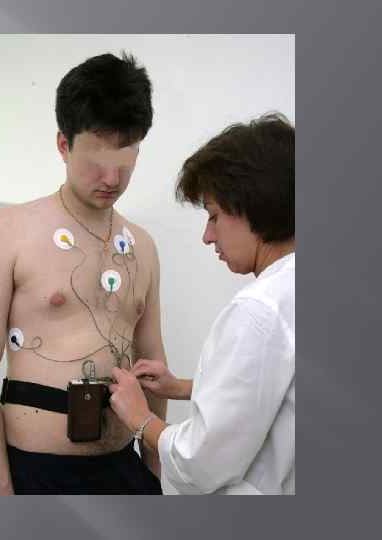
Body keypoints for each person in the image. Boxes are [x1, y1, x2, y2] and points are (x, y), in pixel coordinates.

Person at [0, 52, 167, 495]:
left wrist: (154, 473)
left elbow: (153, 365)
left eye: (125, 160)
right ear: (63, 145)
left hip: (125, 468)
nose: (111, 178)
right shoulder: (8, 231)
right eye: (96, 161)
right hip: (35, 472)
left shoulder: (143, 247)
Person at [108, 113, 295, 495]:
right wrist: (183, 387)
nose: (207, 237)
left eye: (213, 216)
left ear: (252, 205)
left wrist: (141, 419)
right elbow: (273, 394)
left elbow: (201, 463)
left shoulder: (258, 311)